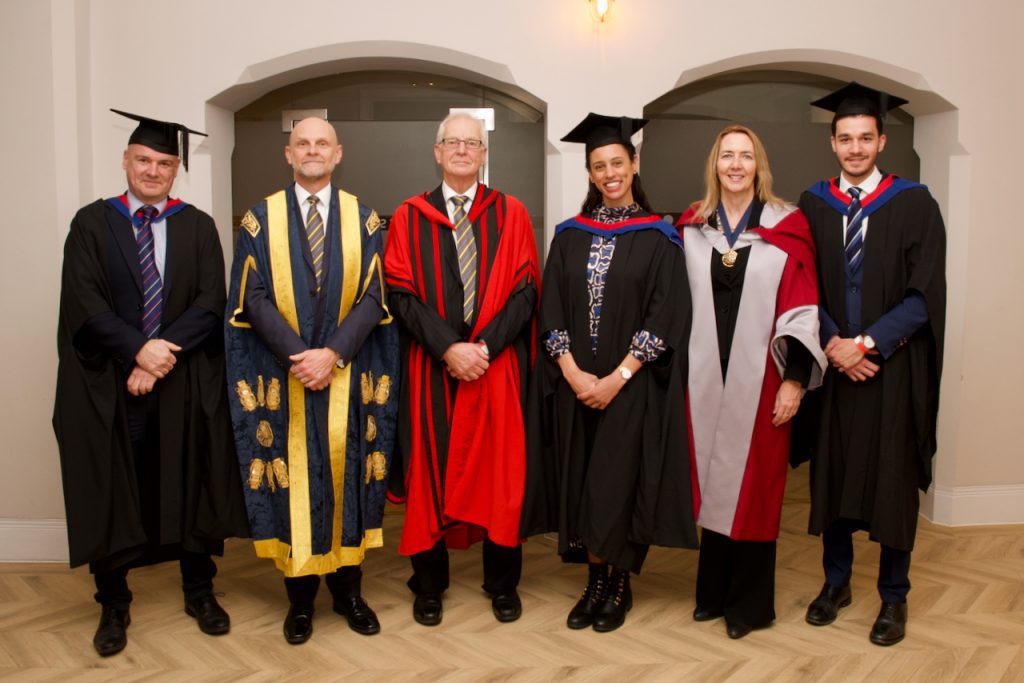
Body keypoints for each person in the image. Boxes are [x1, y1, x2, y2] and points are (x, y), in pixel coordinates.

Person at [53, 110, 249, 657]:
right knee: (114, 486)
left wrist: (157, 355)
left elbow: (213, 301)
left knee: (188, 481)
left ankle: (199, 591)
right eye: (144, 160)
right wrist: (137, 349)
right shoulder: (92, 223)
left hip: (180, 380)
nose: (153, 171)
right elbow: (85, 304)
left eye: (165, 163)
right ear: (126, 161)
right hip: (109, 385)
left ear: (177, 169)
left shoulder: (197, 225)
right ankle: (113, 602)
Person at [225, 116, 399, 645]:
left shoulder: (365, 219)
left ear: (338, 153)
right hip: (288, 373)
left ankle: (349, 592)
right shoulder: (260, 220)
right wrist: (301, 356)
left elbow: (376, 296)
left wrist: (334, 354)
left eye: (322, 143)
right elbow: (249, 296)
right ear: (289, 154)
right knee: (296, 482)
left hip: (346, 374)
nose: (312, 151)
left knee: (349, 479)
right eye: (302, 143)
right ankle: (299, 602)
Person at [520, 113, 696, 633]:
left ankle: (618, 583)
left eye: (617, 162)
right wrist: (573, 374)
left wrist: (617, 378)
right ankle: (594, 581)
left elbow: (667, 316)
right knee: (583, 483)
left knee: (617, 485)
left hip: (630, 388)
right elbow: (550, 309)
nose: (609, 173)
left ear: (634, 163)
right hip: (578, 386)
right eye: (599, 166)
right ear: (591, 173)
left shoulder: (661, 237)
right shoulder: (569, 237)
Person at [795, 82, 946, 646]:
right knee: (833, 476)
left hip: (891, 368)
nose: (855, 148)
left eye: (865, 138)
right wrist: (836, 343)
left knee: (892, 479)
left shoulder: (914, 203)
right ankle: (835, 584)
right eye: (845, 139)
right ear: (832, 143)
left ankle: (893, 596)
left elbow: (924, 293)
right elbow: (803, 285)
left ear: (882, 140)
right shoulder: (814, 203)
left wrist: (868, 344)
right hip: (835, 368)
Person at [384, 113, 539, 627]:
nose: (463, 151)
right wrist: (449, 348)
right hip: (431, 368)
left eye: (473, 143)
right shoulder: (409, 216)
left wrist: (482, 349)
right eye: (454, 142)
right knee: (430, 472)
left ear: (484, 153)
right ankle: (428, 585)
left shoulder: (510, 213)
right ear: (437, 151)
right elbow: (400, 293)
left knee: (501, 475)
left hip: (495, 369)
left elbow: (525, 291)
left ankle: (502, 583)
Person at [675, 124, 826, 639]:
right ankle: (712, 593)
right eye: (726, 156)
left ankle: (750, 605)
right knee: (716, 479)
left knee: (756, 488)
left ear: (759, 165)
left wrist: (795, 380)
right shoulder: (692, 226)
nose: (735, 165)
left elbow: (803, 304)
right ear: (714, 165)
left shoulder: (788, 226)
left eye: (745, 156)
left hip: (764, 379)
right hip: (703, 380)